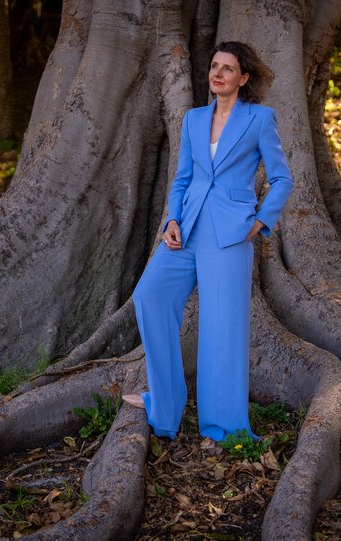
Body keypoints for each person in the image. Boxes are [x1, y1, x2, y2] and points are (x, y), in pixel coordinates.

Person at [123, 41, 294, 442]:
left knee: (222, 330)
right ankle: (164, 406)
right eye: (214, 66)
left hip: (231, 233)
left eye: (228, 69)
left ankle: (224, 428)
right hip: (186, 231)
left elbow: (283, 178)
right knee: (151, 297)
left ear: (244, 78)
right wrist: (171, 220)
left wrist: (260, 223)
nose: (217, 74)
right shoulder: (194, 120)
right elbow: (183, 178)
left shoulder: (259, 119)